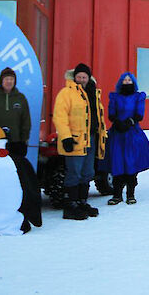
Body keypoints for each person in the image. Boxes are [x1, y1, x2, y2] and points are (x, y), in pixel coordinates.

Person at [53, 63, 107, 220]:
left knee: (87, 172)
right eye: (79, 77)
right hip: (75, 140)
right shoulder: (66, 93)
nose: (82, 79)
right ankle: (70, 205)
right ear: (74, 77)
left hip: (90, 139)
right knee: (74, 173)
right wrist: (66, 137)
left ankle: (82, 202)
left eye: (84, 77)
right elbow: (60, 117)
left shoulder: (93, 93)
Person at [101, 72, 149, 205]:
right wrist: (117, 122)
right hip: (117, 134)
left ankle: (131, 194)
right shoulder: (115, 97)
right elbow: (111, 113)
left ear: (133, 82)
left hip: (132, 133)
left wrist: (130, 122)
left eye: (129, 80)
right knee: (117, 163)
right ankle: (117, 195)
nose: (126, 82)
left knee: (131, 164)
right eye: (124, 80)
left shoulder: (138, 97)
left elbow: (139, 113)